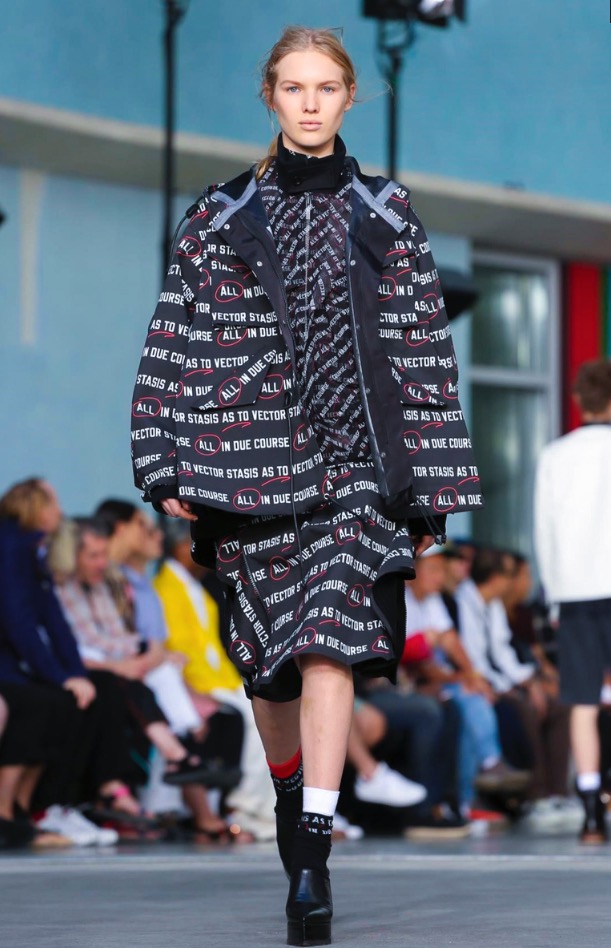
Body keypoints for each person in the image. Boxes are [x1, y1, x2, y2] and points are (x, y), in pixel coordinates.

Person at [130, 26, 482, 946]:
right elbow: (173, 332)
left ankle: (313, 854)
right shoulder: (219, 213)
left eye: (327, 87)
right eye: (295, 87)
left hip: (358, 467)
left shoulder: (387, 211)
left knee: (332, 639)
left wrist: (431, 485)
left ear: (349, 96)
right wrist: (160, 458)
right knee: (268, 668)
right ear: (271, 96)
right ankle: (292, 792)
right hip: (247, 465)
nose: (311, 103)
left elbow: (421, 348)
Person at [0, 478, 136, 847]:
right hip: (7, 667)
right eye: (53, 503)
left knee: (75, 697)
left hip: (13, 665)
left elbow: (54, 621)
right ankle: (10, 813)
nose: (59, 512)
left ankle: (29, 809)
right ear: (34, 506)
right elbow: (18, 623)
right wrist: (61, 677)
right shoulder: (11, 545)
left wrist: (74, 674)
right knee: (40, 704)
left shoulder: (31, 548)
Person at [534, 359, 611, 843]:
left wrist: (555, 598)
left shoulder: (556, 456)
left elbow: (545, 535)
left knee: (582, 702)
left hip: (577, 591)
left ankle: (590, 812)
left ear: (579, 400)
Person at [456, 547, 570, 813]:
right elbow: (475, 660)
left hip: (498, 679)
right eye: (510, 575)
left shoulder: (493, 604)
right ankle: (535, 795)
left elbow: (503, 653)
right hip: (480, 682)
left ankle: (559, 793)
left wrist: (530, 683)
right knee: (525, 708)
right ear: (495, 578)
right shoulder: (464, 601)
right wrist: (513, 689)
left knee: (559, 704)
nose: (514, 582)